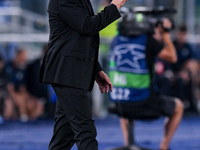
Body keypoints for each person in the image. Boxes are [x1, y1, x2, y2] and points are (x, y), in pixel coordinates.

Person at [40, 0, 127, 150]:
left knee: (64, 136)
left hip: (70, 73)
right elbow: (88, 27)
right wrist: (114, 6)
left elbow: (79, 39)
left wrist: (96, 70)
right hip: (67, 73)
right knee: (85, 131)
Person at [109, 11, 183, 150]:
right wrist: (165, 34)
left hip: (118, 103)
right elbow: (172, 57)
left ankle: (128, 144)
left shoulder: (116, 40)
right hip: (144, 104)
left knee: (127, 102)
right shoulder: (147, 40)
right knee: (178, 106)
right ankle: (164, 147)